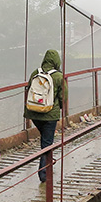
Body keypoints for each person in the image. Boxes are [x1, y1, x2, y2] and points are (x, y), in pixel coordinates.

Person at [24, 49, 64, 184]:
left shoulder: (36, 73)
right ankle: (43, 173)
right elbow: (63, 97)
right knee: (47, 144)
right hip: (49, 115)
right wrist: (61, 108)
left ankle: (47, 163)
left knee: (45, 140)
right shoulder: (59, 76)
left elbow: (29, 89)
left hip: (33, 113)